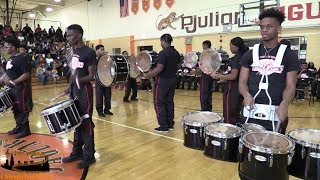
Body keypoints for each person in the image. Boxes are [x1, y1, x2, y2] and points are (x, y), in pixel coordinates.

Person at [239, 8, 300, 134]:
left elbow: (290, 86)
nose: (264, 30)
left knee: (272, 150)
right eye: (261, 27)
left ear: (279, 29)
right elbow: (242, 81)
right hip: (250, 110)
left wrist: (285, 103)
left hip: (276, 111)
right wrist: (246, 95)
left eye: (269, 27)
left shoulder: (289, 55)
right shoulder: (250, 54)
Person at [62, 24, 96, 169]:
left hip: (85, 93)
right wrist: (70, 86)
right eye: (67, 35)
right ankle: (77, 152)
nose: (68, 37)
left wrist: (76, 82)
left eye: (70, 35)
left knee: (86, 123)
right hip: (74, 91)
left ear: (79, 35)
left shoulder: (89, 52)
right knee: (76, 122)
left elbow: (91, 76)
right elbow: (73, 73)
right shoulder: (70, 52)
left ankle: (89, 156)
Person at [143, 33, 180, 132]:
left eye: (161, 42)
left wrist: (148, 75)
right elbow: (179, 66)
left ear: (163, 41)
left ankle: (163, 126)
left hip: (163, 81)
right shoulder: (176, 52)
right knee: (169, 102)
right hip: (173, 79)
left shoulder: (163, 53)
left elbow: (159, 68)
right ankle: (170, 124)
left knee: (159, 102)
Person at [210, 37, 248, 125]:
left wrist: (217, 75)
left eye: (230, 46)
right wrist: (223, 77)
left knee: (229, 115)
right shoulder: (244, 56)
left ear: (235, 47)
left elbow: (233, 76)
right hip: (240, 89)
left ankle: (230, 134)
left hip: (232, 90)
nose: (230, 48)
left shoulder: (236, 58)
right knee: (236, 114)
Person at [1, 36, 32, 138]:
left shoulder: (22, 58)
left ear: (13, 47)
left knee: (21, 108)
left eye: (6, 47)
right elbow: (9, 72)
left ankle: (25, 130)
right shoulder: (11, 58)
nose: (5, 49)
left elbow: (26, 74)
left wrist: (14, 82)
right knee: (15, 108)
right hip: (12, 88)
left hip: (20, 88)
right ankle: (19, 126)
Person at [95, 44, 113, 117]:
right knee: (99, 95)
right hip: (99, 78)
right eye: (101, 49)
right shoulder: (94, 58)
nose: (103, 51)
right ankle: (99, 110)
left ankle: (107, 109)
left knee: (108, 94)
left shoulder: (105, 58)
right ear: (97, 50)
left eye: (103, 49)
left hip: (106, 78)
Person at [200, 40, 214, 111]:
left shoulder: (205, 54)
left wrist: (197, 71)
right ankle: (209, 109)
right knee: (209, 92)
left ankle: (204, 109)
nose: (202, 47)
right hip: (211, 75)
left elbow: (203, 65)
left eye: (203, 45)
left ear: (206, 45)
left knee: (204, 93)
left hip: (205, 74)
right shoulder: (213, 53)